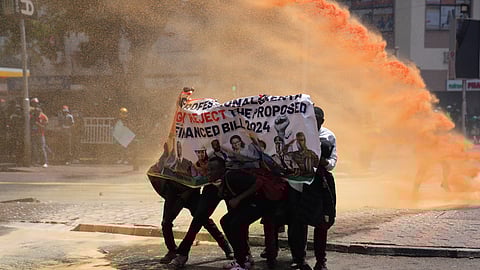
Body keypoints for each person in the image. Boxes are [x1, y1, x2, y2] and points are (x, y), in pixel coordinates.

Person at [148, 145, 232, 266]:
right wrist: (166, 153)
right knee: (166, 222)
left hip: (191, 193)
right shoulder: (169, 157)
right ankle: (172, 251)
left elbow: (198, 177)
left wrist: (186, 195)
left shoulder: (192, 159)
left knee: (202, 219)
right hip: (174, 193)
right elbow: (158, 170)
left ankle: (226, 247)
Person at [288, 106, 338, 270]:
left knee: (321, 223)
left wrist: (321, 158)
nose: (312, 122)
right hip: (298, 184)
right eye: (309, 118)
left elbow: (331, 163)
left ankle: (320, 261)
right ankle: (299, 259)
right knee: (297, 223)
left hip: (319, 185)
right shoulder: (296, 134)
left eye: (316, 119)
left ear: (322, 121)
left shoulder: (327, 136)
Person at [169, 157, 233, 268]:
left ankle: (243, 254)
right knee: (198, 218)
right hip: (211, 185)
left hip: (229, 180)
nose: (209, 171)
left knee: (235, 219)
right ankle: (183, 253)